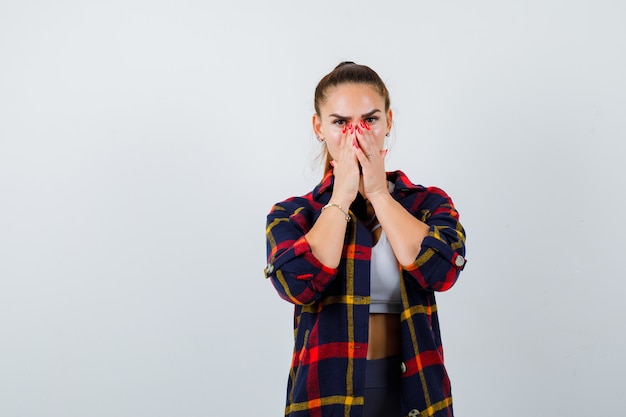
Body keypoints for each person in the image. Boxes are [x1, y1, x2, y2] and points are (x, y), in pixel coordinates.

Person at [264, 62, 467, 417]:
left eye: (370, 119)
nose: (355, 134)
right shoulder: (293, 214)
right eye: (340, 122)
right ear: (319, 127)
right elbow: (298, 285)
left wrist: (379, 194)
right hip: (325, 396)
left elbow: (441, 272)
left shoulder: (427, 203)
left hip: (414, 390)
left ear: (389, 122)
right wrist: (340, 198)